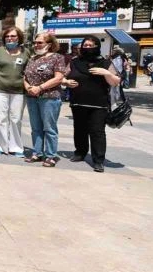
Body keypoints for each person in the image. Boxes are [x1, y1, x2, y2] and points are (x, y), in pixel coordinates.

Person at [63, 35, 122, 172]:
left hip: (99, 104)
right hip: (78, 102)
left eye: (91, 45)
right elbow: (62, 77)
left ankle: (98, 160)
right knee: (80, 129)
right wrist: (66, 82)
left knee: (97, 132)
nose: (88, 48)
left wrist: (106, 73)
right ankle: (80, 152)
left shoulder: (105, 63)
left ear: (97, 47)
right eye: (85, 45)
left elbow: (115, 82)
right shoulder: (74, 61)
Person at [0, 26, 30, 157]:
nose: (10, 38)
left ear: (19, 38)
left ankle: (16, 147)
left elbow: (28, 72)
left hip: (18, 90)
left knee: (16, 119)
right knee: (0, 119)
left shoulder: (26, 52)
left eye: (13, 36)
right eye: (7, 36)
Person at [22, 32, 65, 166]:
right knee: (36, 127)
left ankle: (50, 156)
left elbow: (58, 78)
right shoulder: (32, 58)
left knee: (49, 128)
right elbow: (25, 76)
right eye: (35, 43)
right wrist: (28, 87)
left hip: (49, 97)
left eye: (40, 42)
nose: (36, 45)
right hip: (32, 97)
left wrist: (40, 88)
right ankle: (37, 153)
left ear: (49, 44)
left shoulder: (57, 58)